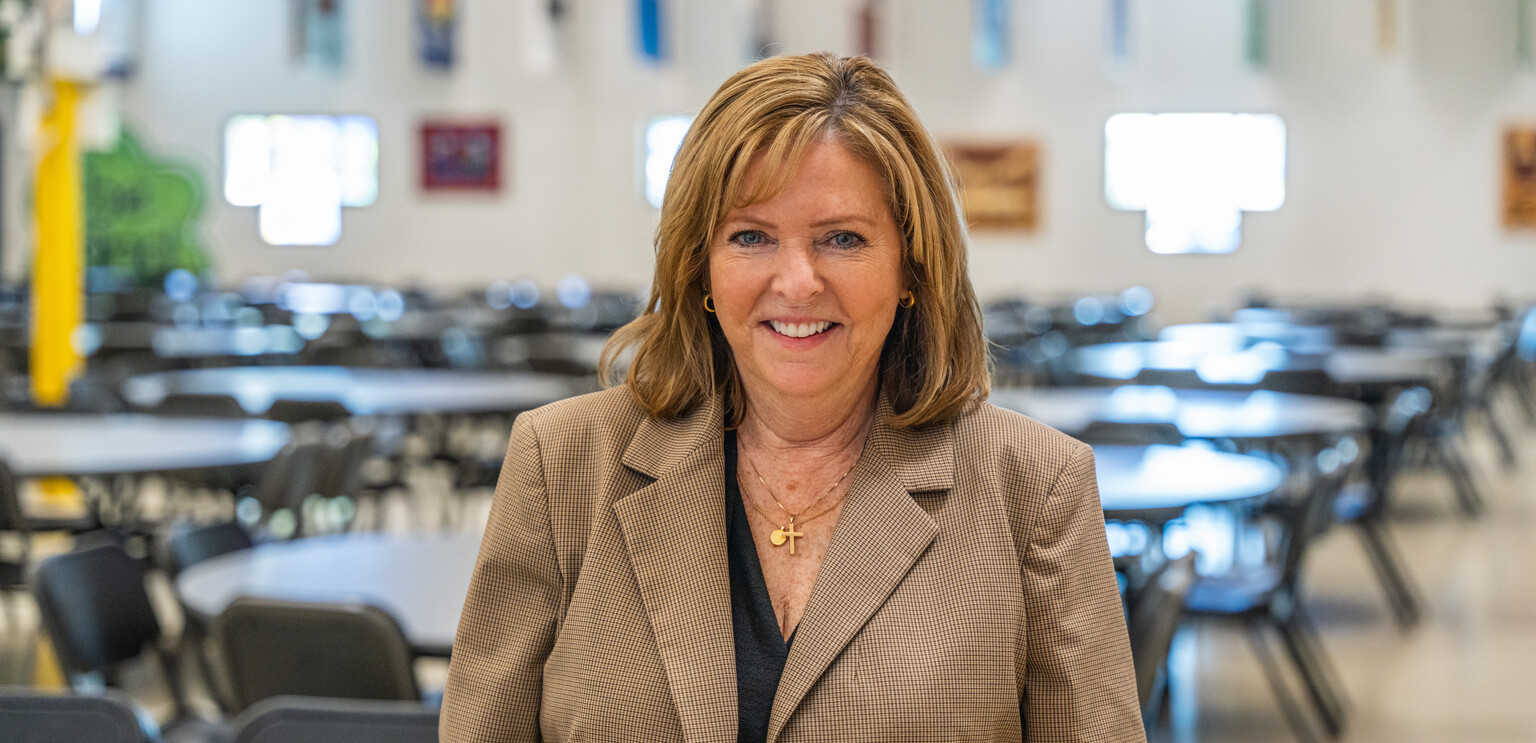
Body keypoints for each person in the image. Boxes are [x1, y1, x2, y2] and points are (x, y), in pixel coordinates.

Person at [442, 52, 1144, 742]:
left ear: (911, 268)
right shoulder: (561, 464)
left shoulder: (1036, 488)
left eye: (842, 238)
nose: (798, 280)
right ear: (702, 266)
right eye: (751, 236)